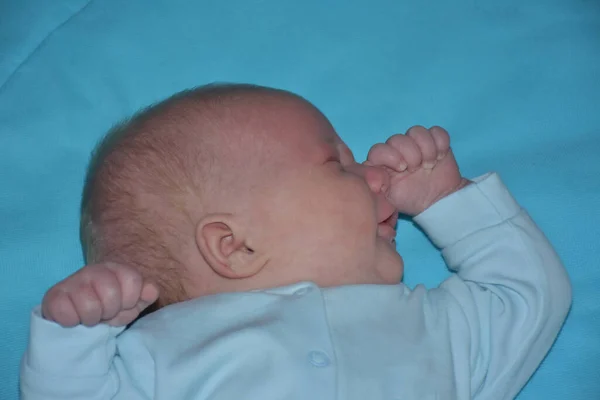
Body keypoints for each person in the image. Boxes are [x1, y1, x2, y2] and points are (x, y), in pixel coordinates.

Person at [20, 84, 572, 399]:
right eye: (339, 164)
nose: (378, 176)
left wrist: (448, 199)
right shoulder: (161, 353)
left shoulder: (434, 325)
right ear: (233, 245)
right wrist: (76, 335)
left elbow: (527, 295)